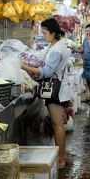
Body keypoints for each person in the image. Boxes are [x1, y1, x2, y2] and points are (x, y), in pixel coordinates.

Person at [21, 18, 71, 168]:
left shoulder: (56, 49)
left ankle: (60, 160)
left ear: (53, 33)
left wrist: (24, 67)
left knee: (57, 124)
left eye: (45, 32)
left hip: (55, 90)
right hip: (58, 88)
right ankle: (60, 157)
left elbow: (47, 71)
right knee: (58, 124)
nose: (43, 35)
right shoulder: (55, 45)